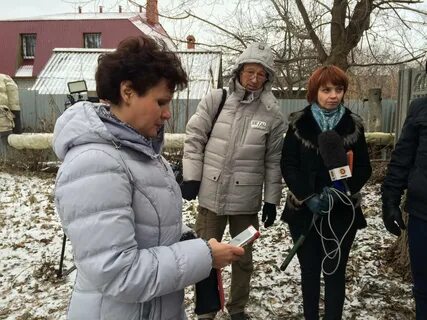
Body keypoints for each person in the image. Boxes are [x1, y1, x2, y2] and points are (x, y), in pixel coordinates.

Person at [53, 35, 244, 320]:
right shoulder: (95, 163)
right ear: (127, 91)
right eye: (161, 102)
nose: (168, 113)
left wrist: (188, 240)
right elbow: (118, 273)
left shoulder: (141, 153)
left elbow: (147, 230)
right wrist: (203, 256)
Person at [181, 42, 285, 320]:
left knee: (242, 259)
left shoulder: (273, 114)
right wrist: (191, 176)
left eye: (261, 74)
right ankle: (207, 309)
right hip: (211, 196)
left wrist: (271, 200)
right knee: (204, 256)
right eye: (250, 71)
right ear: (239, 71)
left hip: (245, 203)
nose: (254, 78)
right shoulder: (217, 100)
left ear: (268, 78)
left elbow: (273, 161)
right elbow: (194, 138)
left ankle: (237, 308)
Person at [280, 65, 372, 320]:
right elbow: (288, 164)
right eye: (326, 90)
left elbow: (364, 167)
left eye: (339, 89)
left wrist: (341, 192)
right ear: (315, 91)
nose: (333, 95)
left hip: (342, 213)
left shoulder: (353, 125)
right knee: (309, 272)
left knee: (334, 272)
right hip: (304, 214)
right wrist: (307, 197)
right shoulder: (299, 123)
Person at [381, 94, 427, 319]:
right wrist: (390, 200)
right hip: (422, 214)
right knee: (423, 287)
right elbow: (402, 157)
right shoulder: (420, 108)